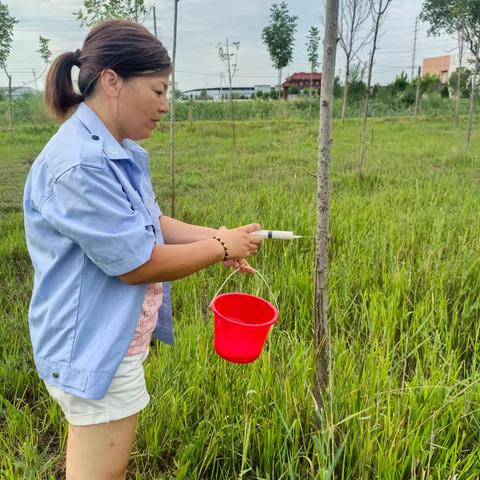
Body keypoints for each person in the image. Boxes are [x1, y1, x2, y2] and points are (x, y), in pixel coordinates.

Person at [23, 19, 262, 479]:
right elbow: (138, 264)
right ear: (112, 81)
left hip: (108, 338)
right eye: (157, 90)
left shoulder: (115, 148)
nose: (165, 105)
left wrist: (215, 236)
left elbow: (147, 225)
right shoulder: (80, 165)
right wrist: (218, 246)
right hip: (94, 346)